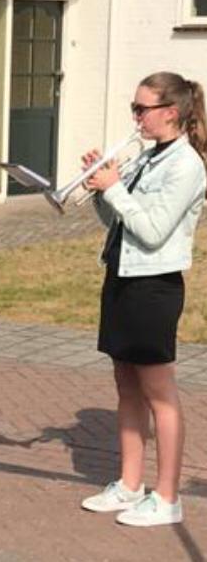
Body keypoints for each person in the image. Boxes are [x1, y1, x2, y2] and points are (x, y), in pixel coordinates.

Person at [80, 72, 207, 526]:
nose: (135, 117)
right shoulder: (146, 158)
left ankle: (168, 497)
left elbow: (153, 231)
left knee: (160, 394)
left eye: (141, 108)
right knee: (126, 387)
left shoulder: (186, 166)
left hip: (154, 287)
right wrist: (100, 189)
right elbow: (119, 221)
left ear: (169, 112)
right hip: (121, 277)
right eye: (133, 108)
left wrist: (114, 187)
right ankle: (130, 484)